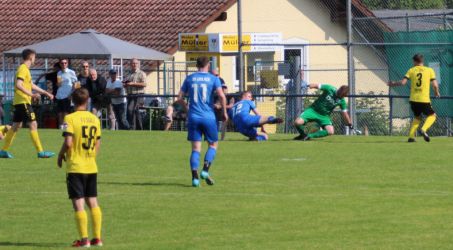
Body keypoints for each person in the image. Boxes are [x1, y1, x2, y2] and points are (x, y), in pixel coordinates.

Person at [57, 88, 103, 247]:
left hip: (76, 167)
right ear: (87, 100)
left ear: (72, 101)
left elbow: (68, 143)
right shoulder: (95, 119)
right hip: (91, 166)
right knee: (93, 202)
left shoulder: (69, 118)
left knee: (78, 203)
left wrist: (60, 154)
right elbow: (98, 143)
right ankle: (97, 238)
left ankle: (84, 240)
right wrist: (90, 156)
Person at [177, 56, 228, 187]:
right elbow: (222, 96)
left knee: (195, 149)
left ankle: (194, 178)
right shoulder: (214, 79)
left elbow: (179, 97)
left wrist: (187, 110)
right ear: (208, 65)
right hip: (209, 117)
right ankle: (205, 170)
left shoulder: (190, 78)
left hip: (194, 117)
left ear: (196, 65)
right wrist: (224, 112)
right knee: (212, 145)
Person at [0, 49, 55, 158]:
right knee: (33, 124)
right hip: (23, 102)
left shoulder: (25, 70)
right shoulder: (23, 69)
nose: (35, 59)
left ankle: (3, 151)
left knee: (16, 126)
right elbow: (19, 85)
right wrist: (31, 95)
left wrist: (45, 93)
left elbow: (31, 85)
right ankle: (40, 152)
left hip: (20, 102)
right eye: (34, 57)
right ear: (31, 57)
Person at [388, 54, 440, 142]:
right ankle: (423, 129)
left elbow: (403, 83)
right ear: (422, 61)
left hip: (413, 99)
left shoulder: (411, 70)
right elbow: (435, 85)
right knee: (432, 116)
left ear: (415, 61)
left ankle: (411, 137)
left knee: (417, 117)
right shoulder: (429, 70)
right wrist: (436, 92)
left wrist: (393, 83)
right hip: (424, 99)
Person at [125, 58, 147, 130]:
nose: (134, 65)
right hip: (130, 95)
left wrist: (133, 84)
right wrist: (125, 84)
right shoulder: (129, 74)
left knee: (131, 109)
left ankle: (132, 127)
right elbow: (127, 82)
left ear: (138, 64)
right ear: (130, 64)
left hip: (138, 95)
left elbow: (144, 84)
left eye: (136, 63)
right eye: (133, 63)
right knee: (134, 111)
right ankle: (138, 128)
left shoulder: (141, 73)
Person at [56, 58, 78, 128]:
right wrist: (58, 83)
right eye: (62, 63)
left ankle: (65, 126)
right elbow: (59, 84)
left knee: (66, 112)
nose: (64, 64)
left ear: (67, 64)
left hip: (67, 95)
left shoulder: (72, 72)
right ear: (60, 64)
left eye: (65, 63)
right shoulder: (59, 73)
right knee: (59, 112)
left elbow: (77, 84)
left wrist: (72, 94)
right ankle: (60, 126)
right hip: (59, 95)